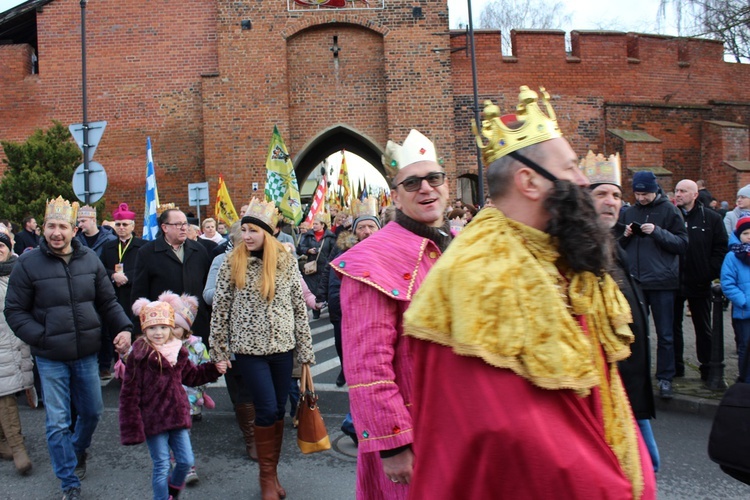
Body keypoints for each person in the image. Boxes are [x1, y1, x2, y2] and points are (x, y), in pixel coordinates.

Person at [404, 88, 656, 498]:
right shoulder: (481, 275)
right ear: (529, 180)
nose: (582, 181)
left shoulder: (556, 253)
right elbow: (515, 441)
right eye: (571, 167)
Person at [331, 129, 452, 498]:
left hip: (456, 422)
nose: (426, 188)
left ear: (446, 186)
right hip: (412, 431)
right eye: (412, 183)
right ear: (396, 196)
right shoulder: (374, 258)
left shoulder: (454, 247)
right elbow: (367, 364)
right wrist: (393, 443)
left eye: (434, 178)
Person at [5, 196, 133, 500]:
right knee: (58, 421)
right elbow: (15, 311)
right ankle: (68, 482)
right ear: (43, 229)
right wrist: (41, 336)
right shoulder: (27, 263)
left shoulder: (89, 260)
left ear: (74, 230)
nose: (56, 232)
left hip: (86, 354)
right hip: (50, 357)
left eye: (62, 226)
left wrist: (125, 328)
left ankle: (77, 451)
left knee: (92, 412)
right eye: (51, 226)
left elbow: (107, 302)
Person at [210, 200, 315, 500]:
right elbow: (221, 310)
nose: (247, 235)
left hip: (283, 349)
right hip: (249, 351)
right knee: (267, 408)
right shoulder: (232, 262)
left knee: (279, 409)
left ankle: (273, 472)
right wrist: (218, 350)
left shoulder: (286, 262)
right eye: (243, 230)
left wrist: (306, 353)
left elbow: (298, 308)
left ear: (268, 233)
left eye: (253, 230)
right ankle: (266, 478)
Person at [586, 151, 660, 472]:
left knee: (647, 469)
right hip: (611, 391)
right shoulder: (581, 250)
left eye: (616, 195)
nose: (611, 201)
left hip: (634, 385)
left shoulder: (613, 245)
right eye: (600, 193)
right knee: (644, 469)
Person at [120, 298, 226, 500]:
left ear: (171, 328)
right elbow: (129, 393)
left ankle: (172, 494)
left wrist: (213, 369)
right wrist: (131, 426)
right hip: (153, 419)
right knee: (161, 465)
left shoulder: (179, 351)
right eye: (152, 328)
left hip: (177, 415)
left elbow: (192, 376)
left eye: (163, 327)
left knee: (185, 461)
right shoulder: (139, 356)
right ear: (144, 329)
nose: (158, 332)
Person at [619, 170, 688, 398]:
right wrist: (626, 236)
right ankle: (638, 377)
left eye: (645, 194)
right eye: (638, 194)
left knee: (665, 334)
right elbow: (618, 248)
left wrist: (658, 232)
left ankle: (665, 377)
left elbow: (682, 243)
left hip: (662, 282)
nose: (641, 198)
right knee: (637, 334)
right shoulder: (629, 212)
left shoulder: (669, 210)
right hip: (637, 282)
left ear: (654, 190)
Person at [318, 197, 382, 388]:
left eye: (371, 226)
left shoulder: (385, 250)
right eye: (362, 227)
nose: (367, 231)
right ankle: (345, 368)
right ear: (354, 230)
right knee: (341, 344)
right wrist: (324, 295)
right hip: (343, 309)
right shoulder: (342, 248)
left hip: (373, 311)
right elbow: (329, 270)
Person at [130, 208, 212, 343]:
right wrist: (139, 331)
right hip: (163, 330)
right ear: (165, 227)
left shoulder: (199, 250)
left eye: (185, 224)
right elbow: (139, 292)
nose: (183, 228)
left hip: (197, 327)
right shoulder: (147, 253)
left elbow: (206, 287)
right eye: (178, 224)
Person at [673, 179, 727, 380]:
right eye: (677, 190)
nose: (678, 194)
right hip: (674, 281)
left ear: (695, 194)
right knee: (672, 327)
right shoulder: (671, 216)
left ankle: (708, 368)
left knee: (703, 327)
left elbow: (721, 247)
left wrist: (709, 271)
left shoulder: (710, 219)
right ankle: (676, 367)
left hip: (699, 281)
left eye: (683, 191)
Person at [0, 230, 33, 475]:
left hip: (16, 339)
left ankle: (6, 443)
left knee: (8, 391)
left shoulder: (19, 271)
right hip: (2, 344)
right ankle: (17, 446)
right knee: (5, 394)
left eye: (1, 245)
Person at [99, 203, 145, 378]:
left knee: (137, 334)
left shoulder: (142, 246)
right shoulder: (108, 247)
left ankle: (138, 369)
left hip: (135, 296)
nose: (121, 228)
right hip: (115, 296)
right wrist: (113, 276)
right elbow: (101, 268)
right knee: (116, 333)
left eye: (125, 224)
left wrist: (128, 277)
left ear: (132, 226)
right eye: (118, 225)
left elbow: (145, 268)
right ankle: (121, 369)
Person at [721, 217, 750, 382]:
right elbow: (728, 283)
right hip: (744, 312)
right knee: (745, 348)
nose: (749, 236)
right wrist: (744, 301)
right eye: (745, 233)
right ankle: (746, 381)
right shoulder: (733, 257)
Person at [296, 212, 336, 318]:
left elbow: (334, 251)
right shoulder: (308, 236)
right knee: (312, 289)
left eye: (317, 224)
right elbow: (300, 248)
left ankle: (329, 307)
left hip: (325, 267)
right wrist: (308, 250)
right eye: (314, 224)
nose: (314, 226)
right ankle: (315, 311)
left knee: (326, 288)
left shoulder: (330, 237)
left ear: (323, 225)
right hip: (311, 268)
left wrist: (329, 262)